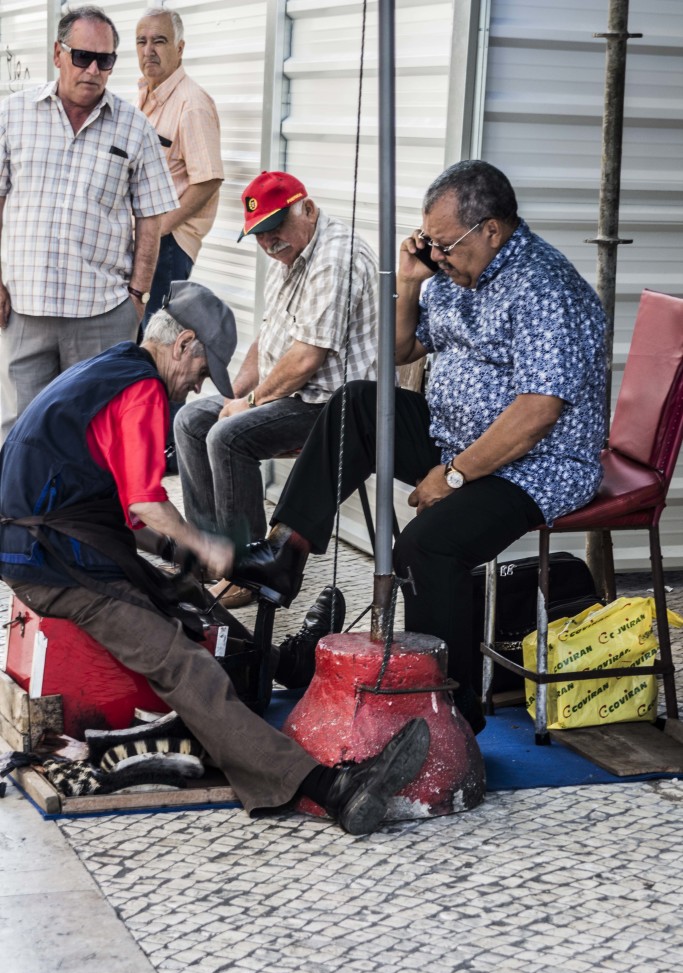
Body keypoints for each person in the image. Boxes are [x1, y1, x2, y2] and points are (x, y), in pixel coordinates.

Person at [0, 281, 429, 835]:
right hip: (51, 562)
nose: (199, 384)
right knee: (183, 662)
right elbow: (146, 504)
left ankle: (282, 663)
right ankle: (328, 788)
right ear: (182, 343)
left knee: (185, 598)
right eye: (203, 369)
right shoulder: (140, 389)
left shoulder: (112, 368)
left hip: (50, 547)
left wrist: (188, 559)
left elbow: (127, 521)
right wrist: (206, 547)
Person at [233, 160, 608, 734]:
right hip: (454, 434)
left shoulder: (544, 286)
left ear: (490, 229)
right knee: (358, 404)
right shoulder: (457, 274)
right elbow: (403, 349)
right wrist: (410, 281)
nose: (438, 252)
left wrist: (453, 475)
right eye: (428, 239)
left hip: (535, 464)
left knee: (426, 547)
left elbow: (536, 414)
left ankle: (449, 715)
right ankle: (286, 552)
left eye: (445, 242)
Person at [174, 169, 378, 608]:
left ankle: (247, 571)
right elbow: (266, 340)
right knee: (193, 419)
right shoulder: (289, 256)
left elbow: (306, 359)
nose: (269, 243)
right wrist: (236, 393)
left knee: (228, 436)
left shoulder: (335, 258)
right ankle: (214, 554)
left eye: (274, 228)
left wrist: (247, 404)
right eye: (259, 234)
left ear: (307, 208)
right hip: (295, 395)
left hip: (335, 406)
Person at [0, 4, 178, 442]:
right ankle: (22, 513)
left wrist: (137, 296)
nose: (94, 69)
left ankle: (87, 514)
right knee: (23, 433)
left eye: (106, 60)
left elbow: (151, 219)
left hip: (101, 311)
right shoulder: (13, 115)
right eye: (83, 57)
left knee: (98, 435)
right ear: (58, 54)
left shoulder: (134, 128)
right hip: (26, 309)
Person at [135, 6, 223, 323]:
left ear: (180, 48)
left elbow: (208, 179)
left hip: (168, 245)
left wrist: (161, 228)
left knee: (154, 341)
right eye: (141, 42)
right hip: (148, 238)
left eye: (159, 41)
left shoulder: (192, 103)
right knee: (135, 338)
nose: (149, 51)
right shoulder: (145, 97)